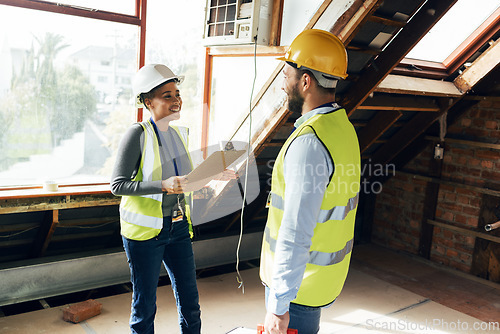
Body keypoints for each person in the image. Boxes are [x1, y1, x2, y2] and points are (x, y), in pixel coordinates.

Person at [260, 29, 361, 334]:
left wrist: (278, 306)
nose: (282, 84)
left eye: (286, 74)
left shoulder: (309, 143)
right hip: (319, 282)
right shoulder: (342, 128)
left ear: (305, 81)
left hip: (297, 292)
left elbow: (295, 231)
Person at [110, 64, 201, 334]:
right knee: (145, 305)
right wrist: (162, 186)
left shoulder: (178, 135)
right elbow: (118, 185)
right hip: (145, 234)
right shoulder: (137, 134)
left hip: (178, 228)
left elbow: (183, 181)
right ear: (148, 102)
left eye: (177, 93)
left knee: (190, 300)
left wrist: (214, 176)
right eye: (167, 95)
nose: (176, 101)